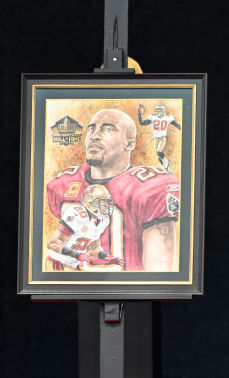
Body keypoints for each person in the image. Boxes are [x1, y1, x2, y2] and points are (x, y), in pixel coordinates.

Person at [45, 108, 180, 272]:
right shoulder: (65, 183)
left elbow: (160, 275)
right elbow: (58, 243)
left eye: (108, 129)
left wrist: (104, 257)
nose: (94, 136)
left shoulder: (151, 188)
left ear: (129, 143)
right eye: (91, 129)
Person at [136, 102, 181, 173]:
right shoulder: (152, 118)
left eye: (159, 110)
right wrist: (139, 114)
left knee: (159, 152)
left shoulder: (167, 118)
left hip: (163, 138)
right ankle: (166, 168)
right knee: (158, 155)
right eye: (157, 109)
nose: (157, 111)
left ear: (163, 111)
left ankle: (168, 168)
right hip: (156, 138)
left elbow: (178, 125)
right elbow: (142, 123)